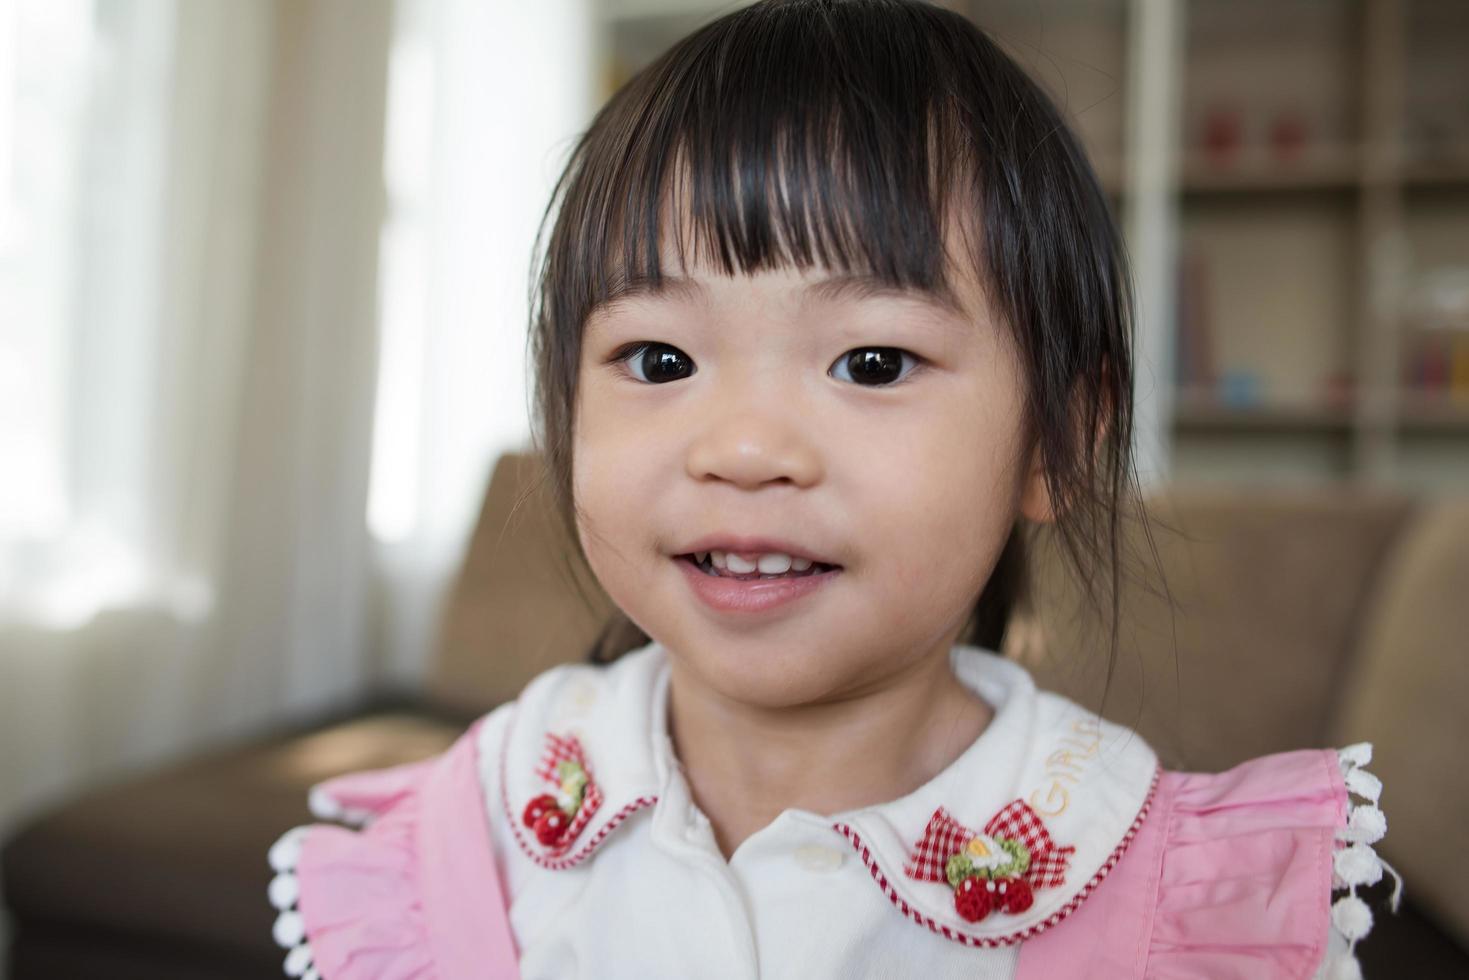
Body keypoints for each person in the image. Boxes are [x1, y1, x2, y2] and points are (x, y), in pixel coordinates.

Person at [264, 1, 1401, 976]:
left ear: (1056, 440)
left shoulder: (1140, 882)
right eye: (658, 359)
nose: (744, 448)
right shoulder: (485, 814)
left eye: (871, 361)